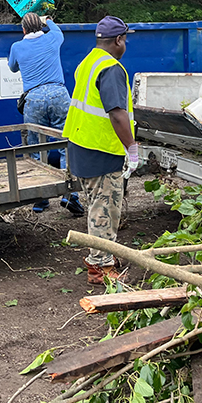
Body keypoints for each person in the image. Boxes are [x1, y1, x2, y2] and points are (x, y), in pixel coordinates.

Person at [63, 16, 137, 284]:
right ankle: (101, 267)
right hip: (100, 149)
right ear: (118, 40)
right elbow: (117, 114)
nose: (125, 45)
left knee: (97, 206)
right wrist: (131, 148)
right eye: (125, 40)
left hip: (81, 144)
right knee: (104, 209)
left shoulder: (87, 62)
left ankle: (102, 256)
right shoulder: (111, 68)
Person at [7, 12, 84, 216]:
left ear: (23, 29)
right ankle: (70, 194)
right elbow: (56, 28)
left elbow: (12, 67)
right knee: (66, 143)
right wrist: (47, 19)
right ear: (41, 26)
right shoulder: (53, 38)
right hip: (59, 94)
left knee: (36, 147)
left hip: (34, 98)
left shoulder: (17, 47)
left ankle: (40, 198)